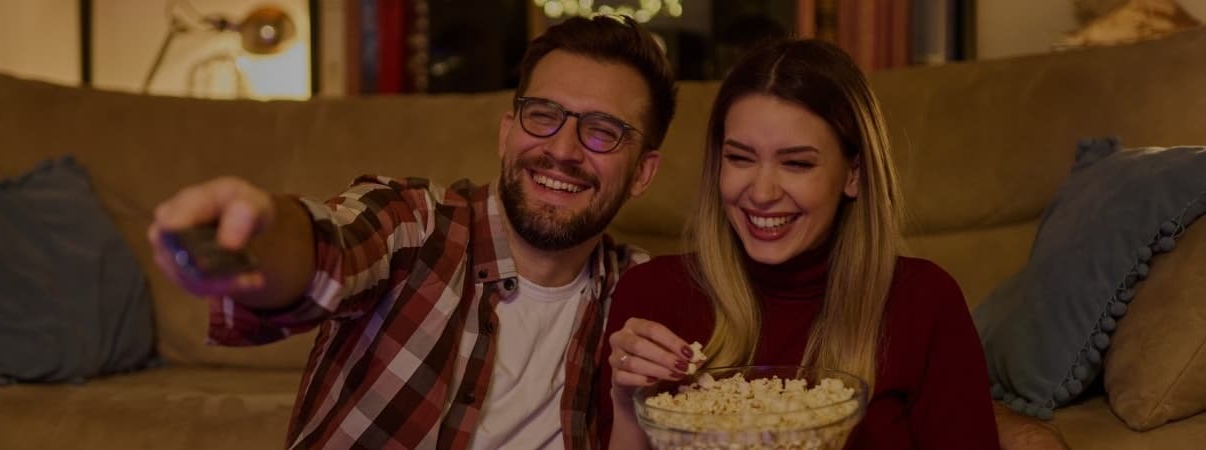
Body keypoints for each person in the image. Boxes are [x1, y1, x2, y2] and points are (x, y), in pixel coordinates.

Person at [147, 15, 676, 450]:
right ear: (507, 131)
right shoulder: (413, 222)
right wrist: (256, 237)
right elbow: (327, 246)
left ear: (644, 174)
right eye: (542, 116)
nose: (562, 150)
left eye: (602, 132)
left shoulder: (641, 293)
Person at [596, 39, 1003, 449]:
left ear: (854, 173)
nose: (762, 192)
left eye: (797, 163)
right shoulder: (651, 296)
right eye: (740, 158)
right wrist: (629, 404)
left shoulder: (924, 303)